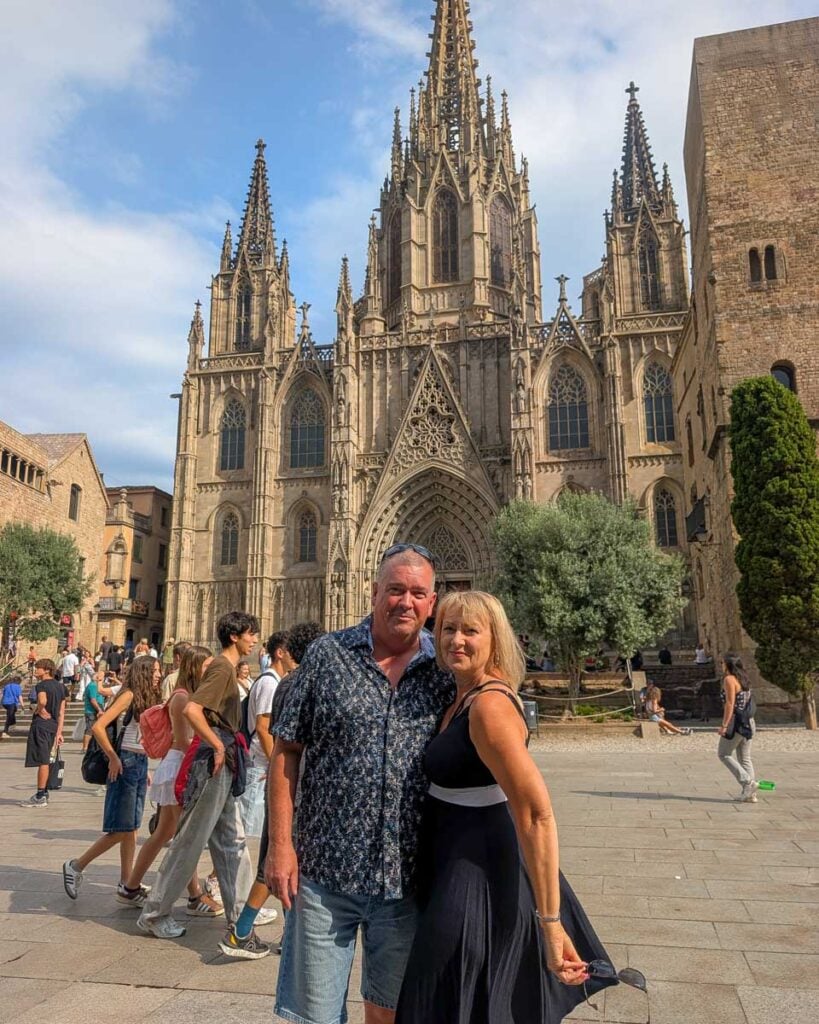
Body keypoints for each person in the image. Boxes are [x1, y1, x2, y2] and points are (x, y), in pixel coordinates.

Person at [395, 591, 614, 1022]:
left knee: (441, 998)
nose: (456, 639)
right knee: (468, 997)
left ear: (496, 639)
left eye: (470, 630)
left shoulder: (490, 706)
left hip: (478, 871)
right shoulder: (461, 695)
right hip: (455, 861)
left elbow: (536, 813)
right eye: (447, 629)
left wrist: (551, 923)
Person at [265, 543, 454, 1024]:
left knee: (390, 1015)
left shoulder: (446, 672)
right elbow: (285, 751)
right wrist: (280, 847)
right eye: (395, 590)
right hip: (325, 877)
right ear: (372, 592)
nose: (405, 602)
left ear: (432, 603)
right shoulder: (329, 656)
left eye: (417, 593)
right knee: (314, 1017)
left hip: (406, 882)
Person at [137, 610, 259, 940]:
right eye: (251, 633)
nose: (255, 639)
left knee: (232, 841)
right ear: (235, 636)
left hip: (224, 763)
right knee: (190, 840)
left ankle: (243, 916)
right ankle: (154, 912)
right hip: (214, 764)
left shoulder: (226, 668)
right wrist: (217, 745)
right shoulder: (221, 667)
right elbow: (192, 710)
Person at [221, 623, 325, 960]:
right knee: (283, 863)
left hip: (282, 784)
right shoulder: (305, 684)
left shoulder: (285, 684)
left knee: (282, 861)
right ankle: (242, 932)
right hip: (298, 787)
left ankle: (274, 932)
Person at [117, 646, 222, 915]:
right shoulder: (183, 698)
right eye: (206, 665)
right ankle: (194, 896)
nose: (210, 670)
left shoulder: (186, 696)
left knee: (165, 833)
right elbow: (183, 740)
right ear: (195, 667)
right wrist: (210, 749)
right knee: (183, 836)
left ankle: (130, 887)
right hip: (178, 767)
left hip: (175, 766)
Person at [62, 656, 163, 901]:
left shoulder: (142, 697)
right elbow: (98, 726)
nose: (159, 675)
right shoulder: (127, 695)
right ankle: (76, 866)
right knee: (121, 829)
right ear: (144, 672)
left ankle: (126, 883)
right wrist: (114, 758)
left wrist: (145, 765)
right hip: (125, 763)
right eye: (156, 671)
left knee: (132, 829)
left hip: (137, 763)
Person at [20, 660, 66, 807]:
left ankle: (40, 795)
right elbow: (61, 712)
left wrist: (38, 710)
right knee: (47, 759)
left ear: (46, 670)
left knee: (43, 760)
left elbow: (42, 700)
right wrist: (59, 732)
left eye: (38, 667)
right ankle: (44, 791)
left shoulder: (41, 685)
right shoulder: (61, 687)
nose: (35, 670)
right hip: (53, 727)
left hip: (41, 725)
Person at [718, 653, 758, 802]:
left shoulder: (729, 679)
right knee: (745, 758)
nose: (721, 665)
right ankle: (750, 794)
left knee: (723, 753)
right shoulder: (744, 678)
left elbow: (730, 703)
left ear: (728, 665)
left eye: (722, 663)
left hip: (737, 722)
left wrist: (724, 725)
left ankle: (748, 783)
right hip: (749, 721)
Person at [82, 669, 106, 751]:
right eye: (102, 676)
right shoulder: (93, 685)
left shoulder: (95, 685)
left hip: (95, 708)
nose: (103, 678)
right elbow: (93, 700)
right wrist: (99, 709)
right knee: (90, 728)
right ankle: (85, 747)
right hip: (92, 710)